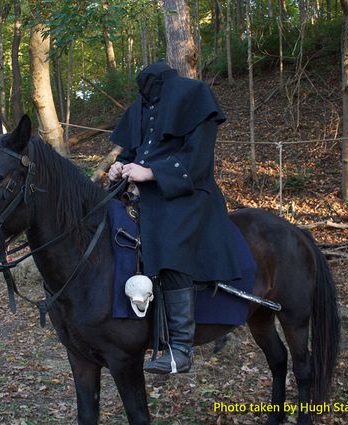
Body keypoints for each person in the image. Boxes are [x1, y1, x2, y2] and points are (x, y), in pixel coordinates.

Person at [108, 60, 242, 374]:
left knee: (170, 243)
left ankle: (180, 348)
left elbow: (198, 161)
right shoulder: (140, 107)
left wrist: (152, 172)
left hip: (188, 194)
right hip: (143, 195)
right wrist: (120, 166)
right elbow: (132, 151)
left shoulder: (194, 96)